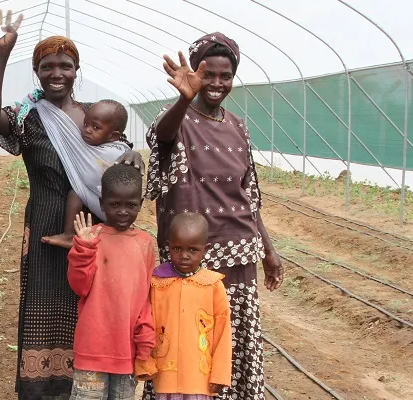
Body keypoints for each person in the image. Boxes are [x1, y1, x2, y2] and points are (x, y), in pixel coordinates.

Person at [0, 9, 145, 399]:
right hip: (44, 225)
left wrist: (133, 155)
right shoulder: (28, 117)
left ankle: (88, 387)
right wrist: (1, 53)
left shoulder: (95, 116)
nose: (57, 73)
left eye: (65, 66)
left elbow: (118, 152)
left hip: (94, 229)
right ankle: (41, 389)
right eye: (47, 66)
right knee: (42, 305)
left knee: (91, 307)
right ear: (36, 72)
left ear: (76, 70)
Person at [141, 32, 283, 400]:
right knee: (187, 343)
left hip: (239, 256)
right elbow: (163, 135)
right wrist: (182, 99)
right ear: (196, 74)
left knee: (231, 341)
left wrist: (268, 250)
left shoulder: (237, 126)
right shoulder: (177, 118)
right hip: (191, 257)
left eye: (226, 76)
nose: (217, 84)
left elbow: (248, 194)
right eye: (209, 75)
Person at [66, 163, 155, 400]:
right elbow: (79, 286)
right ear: (102, 202)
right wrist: (83, 249)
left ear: (140, 204)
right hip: (92, 350)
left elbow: (145, 297)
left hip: (128, 352)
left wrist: (145, 339)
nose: (123, 211)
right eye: (114, 204)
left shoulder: (145, 243)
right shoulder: (92, 237)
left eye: (131, 205)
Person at [136, 212, 232, 400]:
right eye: (177, 248)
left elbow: (223, 332)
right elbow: (145, 323)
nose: (184, 256)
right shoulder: (157, 283)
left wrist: (220, 374)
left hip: (200, 379)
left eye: (193, 250)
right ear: (168, 246)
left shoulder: (213, 285)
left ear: (205, 249)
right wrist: (144, 361)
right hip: (165, 377)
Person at [42, 99, 130, 249]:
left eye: (96, 127)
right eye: (85, 124)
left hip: (117, 209)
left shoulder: (116, 153)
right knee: (75, 192)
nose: (87, 130)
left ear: (113, 136)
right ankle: (68, 235)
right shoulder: (83, 146)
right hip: (100, 202)